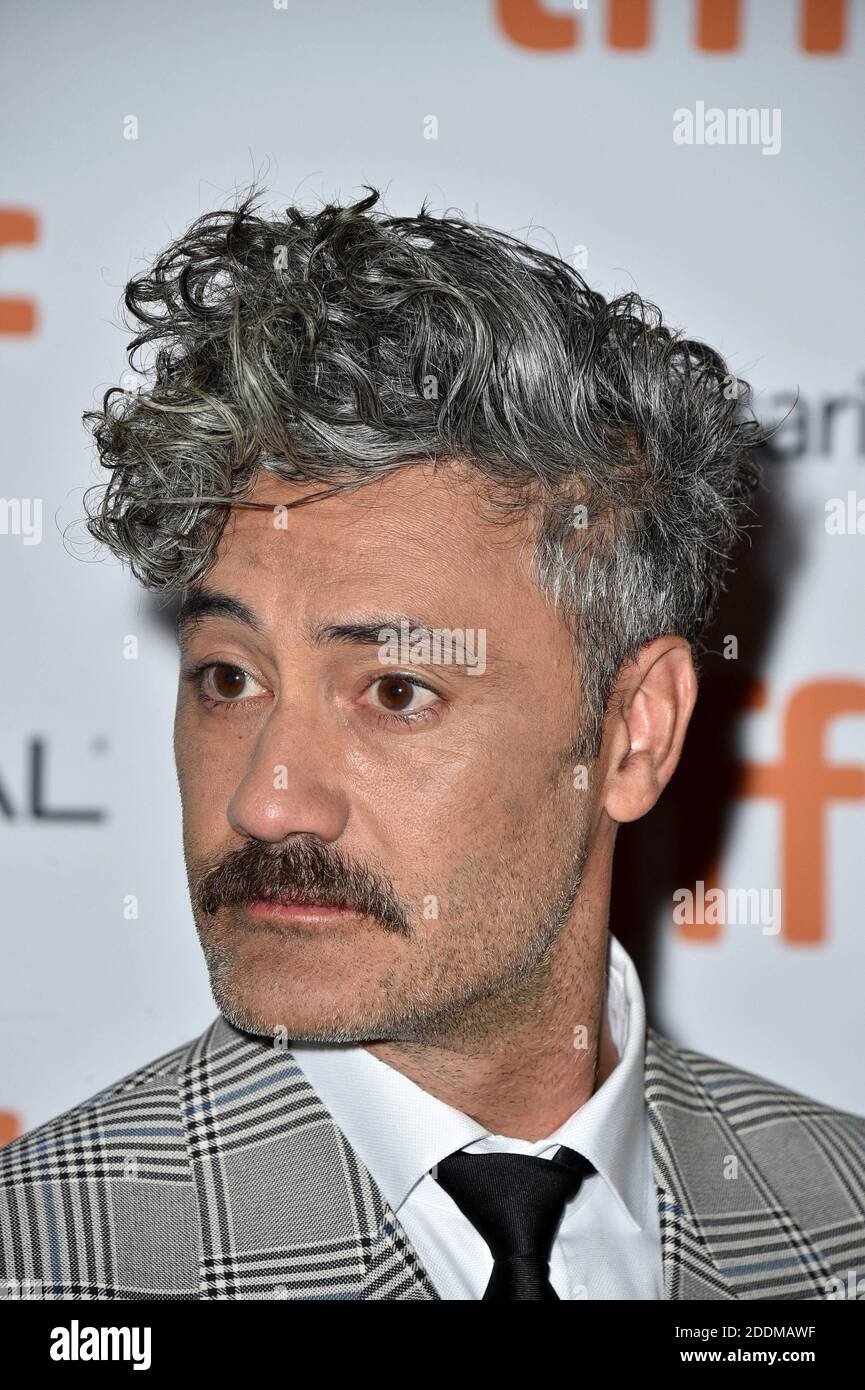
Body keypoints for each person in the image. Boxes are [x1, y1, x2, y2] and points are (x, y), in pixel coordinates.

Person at [2, 187, 863, 1301]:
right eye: (229, 676)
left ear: (633, 732)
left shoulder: (840, 1223)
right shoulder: (46, 1267)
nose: (267, 801)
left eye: (395, 690)